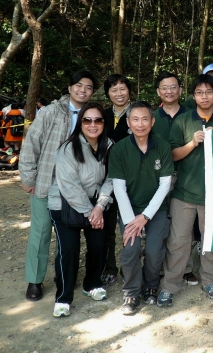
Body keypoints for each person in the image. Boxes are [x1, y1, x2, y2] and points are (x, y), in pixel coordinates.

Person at [157, 74, 213, 306]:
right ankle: (169, 286)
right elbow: (173, 155)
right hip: (185, 192)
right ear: (193, 96)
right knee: (178, 241)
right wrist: (192, 143)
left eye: (209, 92)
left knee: (211, 240)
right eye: (200, 92)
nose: (204, 96)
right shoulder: (183, 121)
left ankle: (210, 281)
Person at [19, 70, 97, 301]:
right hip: (46, 181)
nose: (83, 90)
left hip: (75, 186)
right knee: (41, 231)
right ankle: (35, 280)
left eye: (88, 87)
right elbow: (32, 143)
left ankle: (62, 275)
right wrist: (28, 177)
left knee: (67, 234)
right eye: (79, 85)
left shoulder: (92, 115)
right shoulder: (51, 111)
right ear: (70, 87)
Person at [47, 102, 114, 317]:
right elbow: (69, 185)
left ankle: (92, 284)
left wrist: (100, 206)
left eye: (98, 120)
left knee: (98, 245)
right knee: (69, 249)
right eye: (87, 120)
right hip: (64, 204)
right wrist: (90, 212)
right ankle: (63, 298)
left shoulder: (109, 146)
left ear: (104, 123)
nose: (93, 125)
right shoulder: (68, 148)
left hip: (96, 204)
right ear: (80, 123)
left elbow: (111, 178)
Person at [108, 101, 173, 315]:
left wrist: (145, 216)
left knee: (154, 250)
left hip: (156, 208)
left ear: (152, 122)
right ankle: (131, 292)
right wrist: (131, 222)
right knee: (131, 247)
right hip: (129, 208)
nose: (140, 124)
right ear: (128, 122)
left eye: (145, 119)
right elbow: (118, 187)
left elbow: (165, 184)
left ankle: (151, 286)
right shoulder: (119, 149)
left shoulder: (162, 146)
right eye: (135, 119)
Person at [151, 72, 200, 287]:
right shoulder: (151, 117)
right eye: (165, 87)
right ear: (158, 91)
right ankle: (159, 268)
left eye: (173, 87)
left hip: (187, 176)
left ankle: (186, 269)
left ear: (181, 90)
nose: (169, 91)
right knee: (160, 224)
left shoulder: (192, 115)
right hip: (158, 177)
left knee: (184, 227)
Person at [100, 74, 132, 287]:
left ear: (129, 90)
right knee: (107, 226)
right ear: (108, 94)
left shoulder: (138, 113)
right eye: (114, 90)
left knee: (130, 226)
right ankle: (108, 267)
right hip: (106, 178)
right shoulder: (101, 116)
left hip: (132, 179)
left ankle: (129, 268)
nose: (119, 93)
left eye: (122, 89)